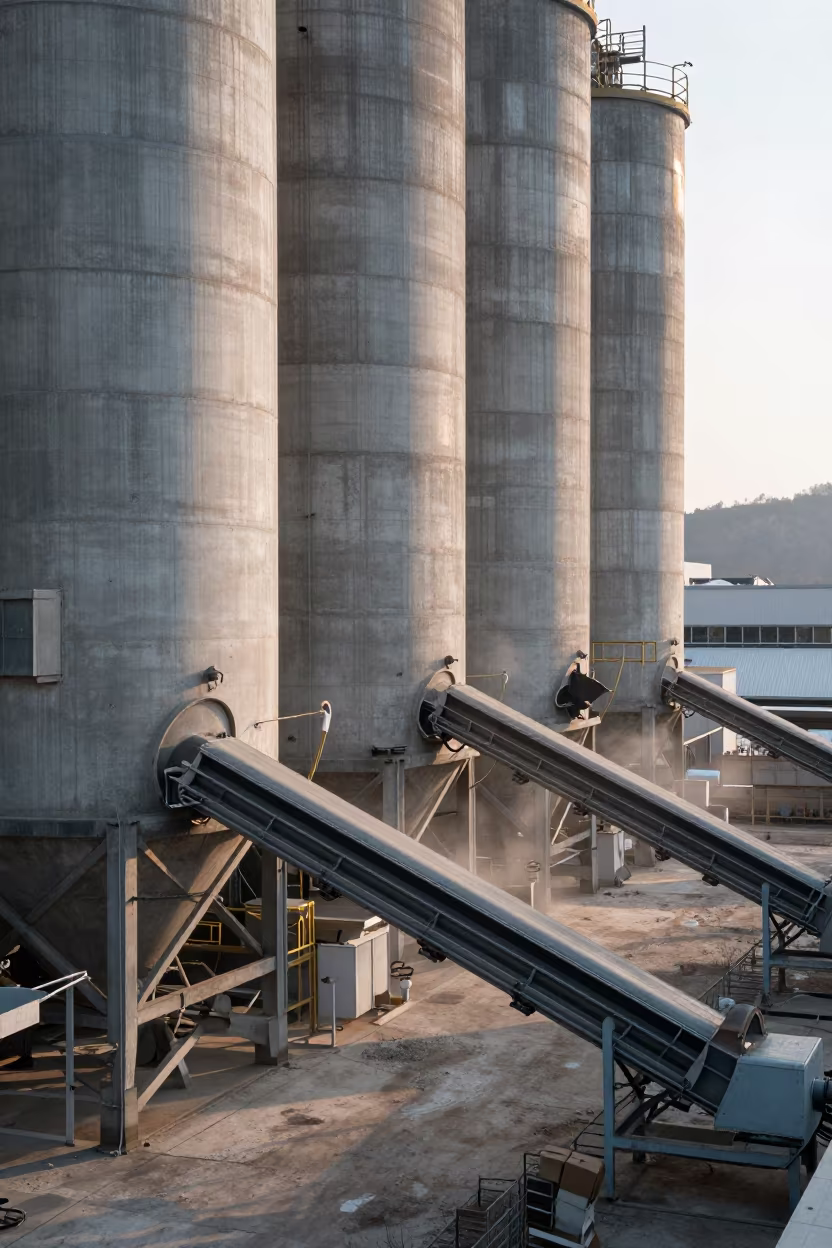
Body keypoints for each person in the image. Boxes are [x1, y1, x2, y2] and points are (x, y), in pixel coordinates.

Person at [0, 948, 34, 1071]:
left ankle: (25, 1058)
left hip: (23, 992)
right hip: (20, 990)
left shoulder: (22, 955)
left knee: (21, 1027)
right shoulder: (20, 953)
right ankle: (23, 1057)